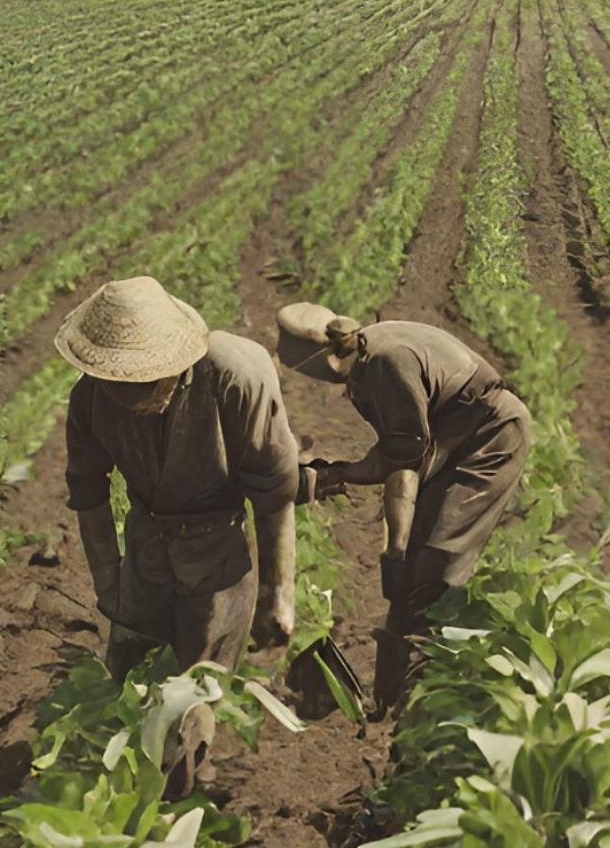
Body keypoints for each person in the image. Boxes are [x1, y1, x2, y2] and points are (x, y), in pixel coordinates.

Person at [55, 276, 300, 793]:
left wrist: (280, 593)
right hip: (146, 541)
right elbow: (88, 491)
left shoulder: (236, 377)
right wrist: (107, 579)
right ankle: (130, 787)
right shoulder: (92, 399)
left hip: (218, 547)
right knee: (130, 668)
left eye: (144, 384)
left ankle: (182, 791)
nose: (130, 398)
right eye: (117, 384)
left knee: (198, 684)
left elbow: (274, 490)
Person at [275, 304, 531, 715]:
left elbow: (402, 470)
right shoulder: (370, 352)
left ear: (324, 360)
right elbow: (396, 453)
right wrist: (335, 475)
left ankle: (431, 690)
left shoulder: (385, 366)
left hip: (489, 440)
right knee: (415, 569)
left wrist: (394, 548)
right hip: (454, 439)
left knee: (436, 563)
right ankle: (391, 694)